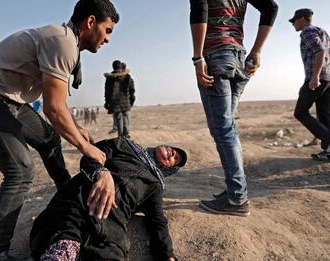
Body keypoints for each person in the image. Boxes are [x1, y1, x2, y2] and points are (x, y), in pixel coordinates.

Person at [0, 1, 120, 260]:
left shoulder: (68, 41)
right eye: (108, 30)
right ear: (91, 22)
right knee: (20, 171)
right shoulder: (63, 42)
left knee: (49, 139)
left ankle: (68, 196)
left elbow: (56, 102)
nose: (108, 39)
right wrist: (85, 146)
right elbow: (53, 109)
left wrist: (77, 129)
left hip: (10, 100)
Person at [30, 137, 187, 261]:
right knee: (62, 248)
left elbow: (157, 221)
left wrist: (168, 255)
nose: (173, 152)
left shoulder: (154, 186)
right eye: (174, 150)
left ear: (168, 169)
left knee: (110, 254)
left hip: (110, 224)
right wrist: (101, 172)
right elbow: (91, 156)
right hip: (78, 202)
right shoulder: (124, 144)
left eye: (176, 159)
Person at [189, 0, 278, 216]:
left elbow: (199, 8)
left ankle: (237, 198)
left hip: (217, 56)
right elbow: (271, 7)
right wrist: (257, 51)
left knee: (223, 129)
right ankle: (234, 190)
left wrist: (198, 57)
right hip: (239, 58)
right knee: (227, 128)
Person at [290, 9, 330, 161]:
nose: (293, 24)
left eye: (294, 20)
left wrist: (315, 77)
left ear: (302, 19)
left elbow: (319, 52)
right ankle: (328, 150)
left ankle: (328, 139)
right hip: (328, 78)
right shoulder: (323, 32)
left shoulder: (307, 31)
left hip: (317, 78)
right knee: (324, 114)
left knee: (300, 112)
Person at [104, 60, 135, 138]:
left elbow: (107, 92)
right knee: (126, 117)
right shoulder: (127, 77)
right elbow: (132, 90)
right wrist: (131, 101)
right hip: (126, 102)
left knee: (119, 119)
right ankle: (127, 134)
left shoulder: (109, 78)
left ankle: (121, 137)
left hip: (115, 103)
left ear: (113, 67)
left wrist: (107, 102)